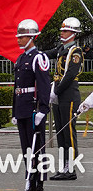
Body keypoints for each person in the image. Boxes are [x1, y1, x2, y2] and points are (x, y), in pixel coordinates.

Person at [12, 19, 51, 191]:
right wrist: (14, 111)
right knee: (26, 148)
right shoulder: (21, 58)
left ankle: (38, 182)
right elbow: (17, 87)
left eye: (22, 37)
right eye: (18, 36)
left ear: (31, 37)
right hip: (22, 108)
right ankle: (29, 177)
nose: (19, 39)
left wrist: (43, 109)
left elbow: (43, 85)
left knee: (37, 148)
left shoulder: (38, 58)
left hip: (34, 109)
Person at [44, 17, 83, 181]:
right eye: (62, 30)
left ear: (73, 33)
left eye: (65, 31)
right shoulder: (61, 48)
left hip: (68, 94)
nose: (62, 33)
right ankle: (64, 166)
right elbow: (46, 54)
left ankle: (71, 168)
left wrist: (56, 90)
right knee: (60, 132)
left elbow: (70, 75)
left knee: (69, 133)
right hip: (59, 94)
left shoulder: (76, 52)